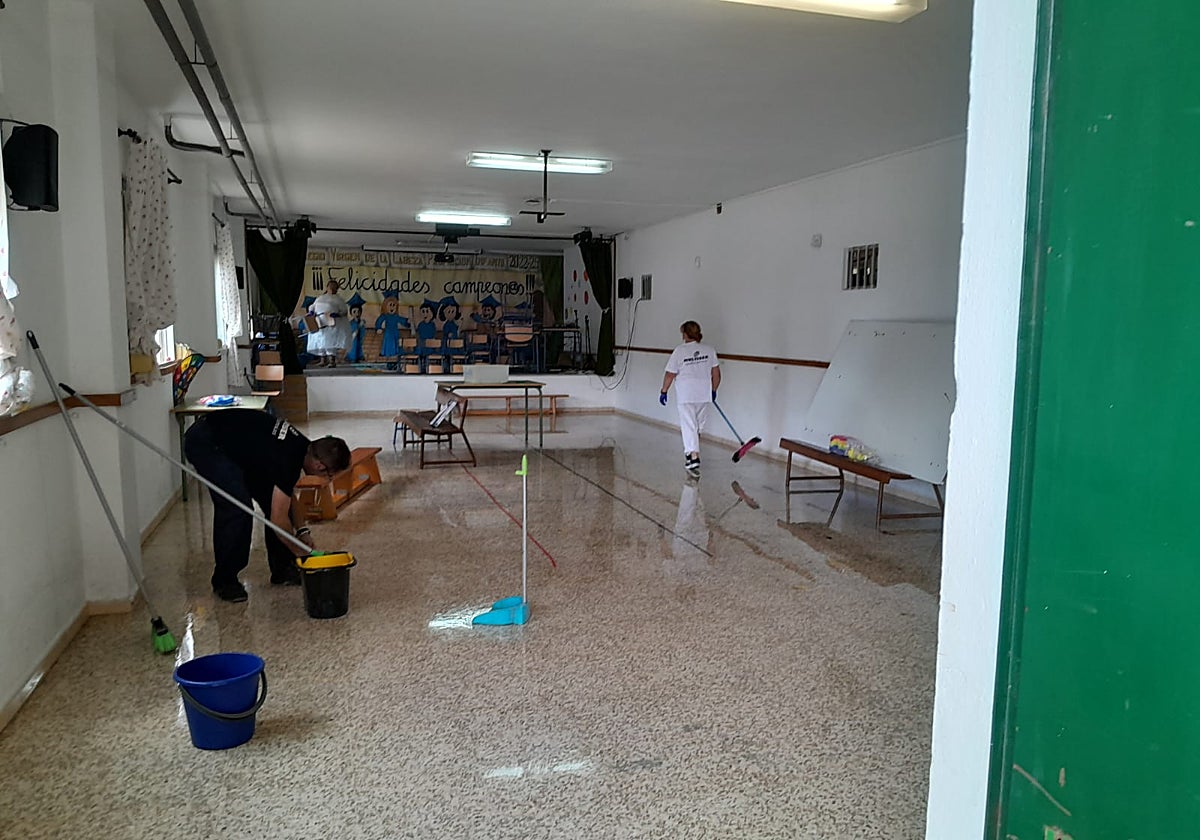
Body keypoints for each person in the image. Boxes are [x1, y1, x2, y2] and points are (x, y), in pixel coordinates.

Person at [183, 409, 351, 602]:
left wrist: (302, 531)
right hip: (207, 441)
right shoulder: (288, 458)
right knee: (237, 508)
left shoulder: (304, 448)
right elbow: (278, 520)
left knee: (275, 501)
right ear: (320, 466)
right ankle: (225, 580)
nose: (326, 480)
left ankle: (282, 569)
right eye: (329, 475)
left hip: (239, 447)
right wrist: (299, 552)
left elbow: (287, 495)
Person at [659, 320, 721, 477]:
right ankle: (693, 453)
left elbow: (670, 374)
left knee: (689, 425)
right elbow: (716, 374)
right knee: (697, 426)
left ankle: (693, 456)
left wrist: (664, 390)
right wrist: (713, 389)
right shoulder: (709, 350)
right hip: (703, 394)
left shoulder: (679, 351)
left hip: (686, 394)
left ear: (685, 334)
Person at [306, 279, 351, 367]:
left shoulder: (339, 299)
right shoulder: (320, 298)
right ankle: (323, 360)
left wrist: (337, 314)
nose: (332, 288)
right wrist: (311, 312)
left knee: (331, 342)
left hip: (332, 323)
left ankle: (331, 361)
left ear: (337, 288)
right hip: (320, 322)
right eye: (331, 286)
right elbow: (313, 306)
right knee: (320, 341)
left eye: (334, 287)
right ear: (327, 287)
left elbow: (344, 311)